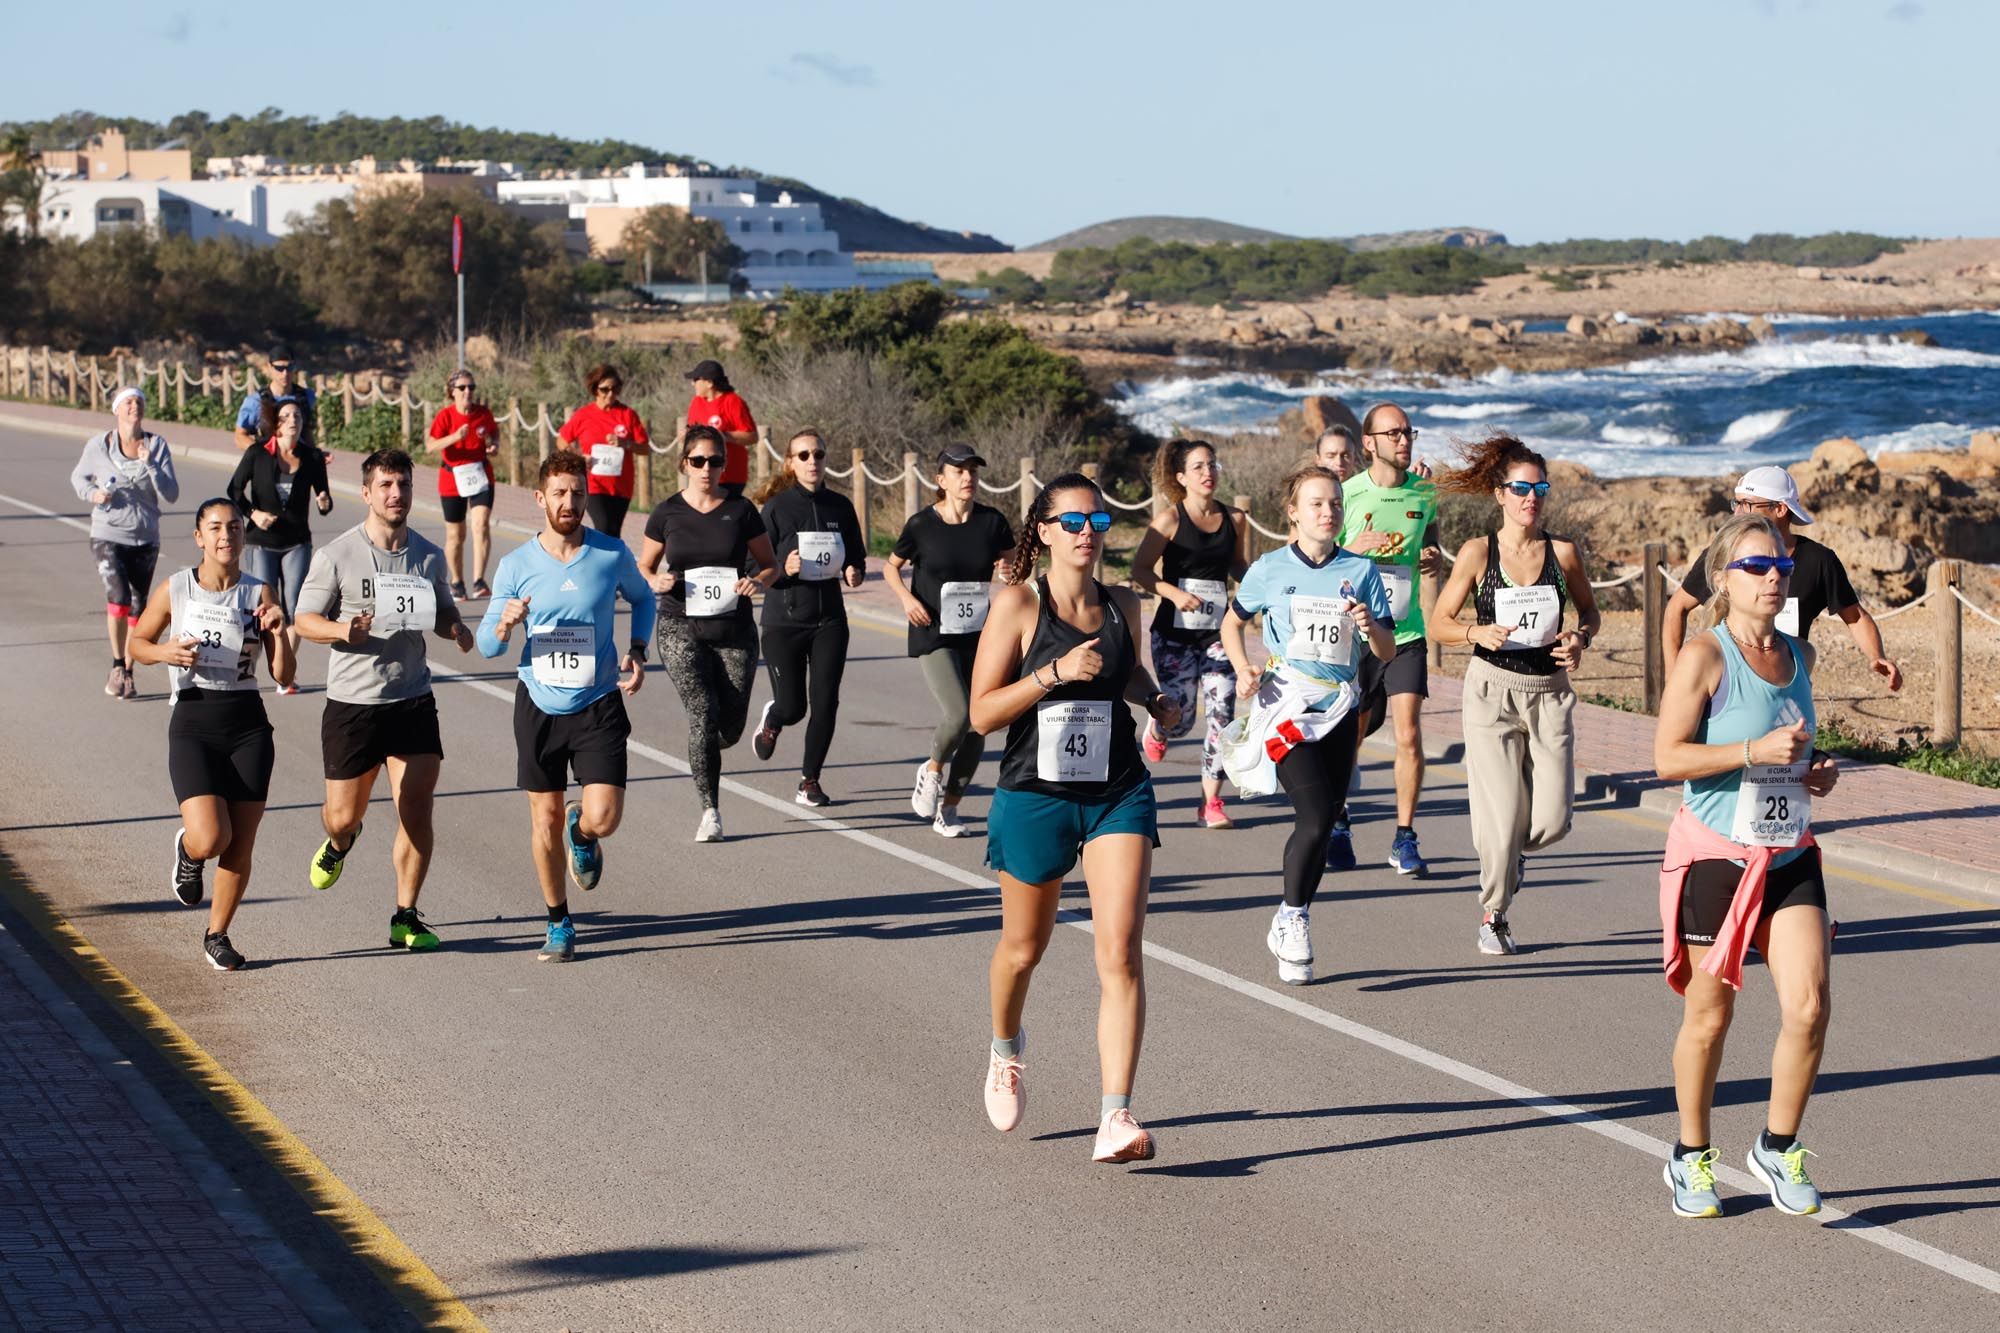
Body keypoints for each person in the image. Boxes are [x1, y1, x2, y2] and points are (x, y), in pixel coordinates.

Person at [970, 473, 1179, 1164]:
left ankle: (1115, 1115)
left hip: (1117, 789)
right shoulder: (1018, 605)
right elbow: (981, 712)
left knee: (1119, 952)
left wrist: (1157, 700)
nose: (1088, 532)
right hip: (1036, 792)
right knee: (1024, 949)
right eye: (1073, 521)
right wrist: (1052, 673)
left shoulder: (1122, 602)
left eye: (1098, 519)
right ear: (1046, 531)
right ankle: (1006, 1048)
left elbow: (1125, 675)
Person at [1653, 512, 1841, 1220]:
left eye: (1782, 568)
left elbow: (1795, 753)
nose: (1774, 578)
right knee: (1709, 1015)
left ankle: (1777, 1143)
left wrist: (1816, 773)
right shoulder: (1704, 656)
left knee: (1811, 1005)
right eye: (1757, 567)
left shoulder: (1802, 656)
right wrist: (1749, 752)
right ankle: (1690, 1155)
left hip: (1789, 853)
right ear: (1722, 579)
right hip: (1715, 858)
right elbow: (1668, 758)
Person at [476, 451, 656, 962]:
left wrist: (638, 649)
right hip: (538, 703)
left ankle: (584, 835)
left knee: (605, 817)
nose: (570, 502)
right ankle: (558, 922)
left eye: (578, 493)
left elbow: (643, 599)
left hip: (597, 700)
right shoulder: (515, 565)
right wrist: (506, 623)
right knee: (544, 816)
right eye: (559, 493)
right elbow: (488, 646)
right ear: (540, 498)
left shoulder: (609, 553)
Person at [295, 449, 475, 952]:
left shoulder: (427, 555)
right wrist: (341, 630)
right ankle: (340, 843)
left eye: (405, 485)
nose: (397, 495)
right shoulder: (338, 555)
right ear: (368, 493)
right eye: (387, 486)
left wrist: (455, 628)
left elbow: (441, 611)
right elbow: (303, 619)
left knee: (416, 809)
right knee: (342, 817)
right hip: (353, 703)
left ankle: (405, 916)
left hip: (412, 698)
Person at [1221, 465, 1395, 986]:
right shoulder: (1269, 569)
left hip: (1341, 707)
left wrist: (1370, 627)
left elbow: (1385, 649)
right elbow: (1234, 621)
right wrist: (1242, 667)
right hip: (1288, 703)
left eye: (1336, 504)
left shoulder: (1361, 570)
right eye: (1316, 504)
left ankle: (1288, 912)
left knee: (1324, 821)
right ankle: (1294, 916)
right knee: (1317, 816)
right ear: (1293, 513)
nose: (1328, 512)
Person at [1428, 436, 1600, 955]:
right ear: (1500, 494)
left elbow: (1590, 613)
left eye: (1539, 488)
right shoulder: (1480, 552)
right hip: (1492, 693)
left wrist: (1580, 639)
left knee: (1553, 820)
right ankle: (1494, 913)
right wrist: (1473, 634)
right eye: (1520, 488)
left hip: (1549, 693)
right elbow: (1439, 623)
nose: (1531, 497)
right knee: (1502, 822)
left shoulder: (1563, 552)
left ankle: (1510, 857)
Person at [127, 498, 293, 970]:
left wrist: (279, 633)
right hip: (195, 720)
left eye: (235, 527)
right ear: (199, 537)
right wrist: (166, 654)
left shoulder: (260, 593)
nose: (226, 536)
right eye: (215, 528)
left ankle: (217, 934)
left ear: (244, 536)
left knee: (241, 842)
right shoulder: (177, 588)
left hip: (248, 724)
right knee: (210, 837)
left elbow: (283, 676)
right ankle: (188, 849)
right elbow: (137, 643)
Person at [638, 426, 777, 841]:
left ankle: (704, 751)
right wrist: (654, 580)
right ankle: (710, 811)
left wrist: (760, 582)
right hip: (680, 624)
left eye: (715, 461)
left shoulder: (741, 509)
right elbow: (643, 566)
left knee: (729, 729)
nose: (706, 468)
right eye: (698, 461)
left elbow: (768, 564)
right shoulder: (667, 512)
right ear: (684, 463)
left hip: (734, 628)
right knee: (702, 713)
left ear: (724, 465)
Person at [1662, 465, 1902, 693]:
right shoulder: (1724, 554)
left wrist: (1876, 656)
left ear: (1780, 509)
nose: (1737, 513)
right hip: (1723, 683)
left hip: (1786, 684)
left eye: (1747, 505)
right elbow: (1676, 608)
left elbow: (1855, 616)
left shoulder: (1818, 561)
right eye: (1737, 503)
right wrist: (1674, 677)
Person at [884, 444, 1016, 836]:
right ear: (941, 480)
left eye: (973, 470)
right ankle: (933, 768)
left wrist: (1009, 571)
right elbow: (892, 568)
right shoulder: (922, 525)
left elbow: (1014, 567)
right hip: (933, 630)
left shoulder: (992, 522)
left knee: (980, 723)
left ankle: (951, 809)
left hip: (979, 633)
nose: (968, 477)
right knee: (959, 713)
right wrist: (907, 599)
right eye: (959, 471)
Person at [1335, 401, 1443, 876]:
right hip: (1356, 634)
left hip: (1407, 631)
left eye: (1408, 432)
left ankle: (1404, 837)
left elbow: (1430, 542)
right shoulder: (1347, 494)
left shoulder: (1425, 493)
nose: (1404, 440)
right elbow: (1318, 557)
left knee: (1410, 735)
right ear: (1369, 444)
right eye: (1393, 433)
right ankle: (1339, 821)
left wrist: (1434, 558)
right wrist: (1350, 549)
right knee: (1350, 734)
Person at [1129, 439, 1248, 828]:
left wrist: (1258, 589)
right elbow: (1141, 570)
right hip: (1174, 635)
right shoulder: (1169, 520)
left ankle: (1210, 803)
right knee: (1180, 718)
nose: (1208, 473)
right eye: (1198, 467)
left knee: (1222, 713)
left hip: (1218, 635)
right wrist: (1174, 592)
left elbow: (1238, 567)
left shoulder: (1236, 519)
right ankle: (1161, 726)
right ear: (1182, 477)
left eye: (1212, 465)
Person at [748, 429, 867, 806]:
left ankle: (809, 780)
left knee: (826, 701)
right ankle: (774, 718)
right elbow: (755, 564)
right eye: (803, 455)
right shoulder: (777, 509)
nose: (812, 461)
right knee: (794, 706)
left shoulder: (841, 507)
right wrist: (785, 566)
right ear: (790, 462)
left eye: (818, 454)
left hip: (829, 619)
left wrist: (853, 572)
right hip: (784, 620)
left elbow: (857, 558)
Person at [72, 386, 179, 700]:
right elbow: (78, 478)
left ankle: (127, 672)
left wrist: (151, 465)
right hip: (108, 533)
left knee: (137, 607)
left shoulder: (156, 445)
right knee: (118, 599)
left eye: (139, 402)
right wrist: (94, 494)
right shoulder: (99, 446)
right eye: (128, 402)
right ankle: (117, 663)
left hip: (145, 537)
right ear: (117, 410)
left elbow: (171, 494)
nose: (135, 406)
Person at [227, 399, 332, 690]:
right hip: (262, 542)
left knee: (296, 608)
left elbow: (325, 499)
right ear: (275, 423)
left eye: (297, 415)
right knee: (264, 608)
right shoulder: (257, 453)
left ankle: (284, 671)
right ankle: (249, 664)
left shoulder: (312, 457)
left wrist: (323, 501)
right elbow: (234, 490)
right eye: (285, 416)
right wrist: (254, 514)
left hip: (296, 541)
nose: (292, 420)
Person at [425, 368, 501, 599]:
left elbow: (494, 433)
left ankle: (479, 581)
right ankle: (457, 582)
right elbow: (430, 446)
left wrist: (493, 445)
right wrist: (455, 437)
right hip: (452, 478)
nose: (468, 391)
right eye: (462, 387)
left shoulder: (483, 414)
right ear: (452, 392)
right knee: (455, 535)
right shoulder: (445, 416)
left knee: (481, 524)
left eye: (471, 387)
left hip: (480, 474)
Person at [557, 363, 652, 539]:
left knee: (613, 533)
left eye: (615, 389)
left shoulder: (627, 415)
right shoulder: (584, 415)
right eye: (605, 389)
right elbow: (562, 440)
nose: (610, 394)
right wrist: (577, 456)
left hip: (621, 485)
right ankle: (593, 563)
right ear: (595, 390)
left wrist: (626, 444)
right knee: (603, 526)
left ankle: (609, 565)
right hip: (593, 484)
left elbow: (645, 449)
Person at [683, 359, 758, 499]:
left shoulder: (733, 402)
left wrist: (724, 436)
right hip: (701, 473)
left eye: (696, 379)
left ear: (709, 383)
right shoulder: (696, 402)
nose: (693, 383)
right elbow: (691, 430)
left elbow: (752, 436)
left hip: (730, 476)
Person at [233, 345, 316, 452]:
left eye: (289, 367)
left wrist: (317, 455)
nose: (285, 373)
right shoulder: (255, 401)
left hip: (299, 462)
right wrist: (262, 454)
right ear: (269, 367)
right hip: (269, 464)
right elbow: (240, 437)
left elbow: (307, 432)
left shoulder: (306, 396)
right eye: (279, 368)